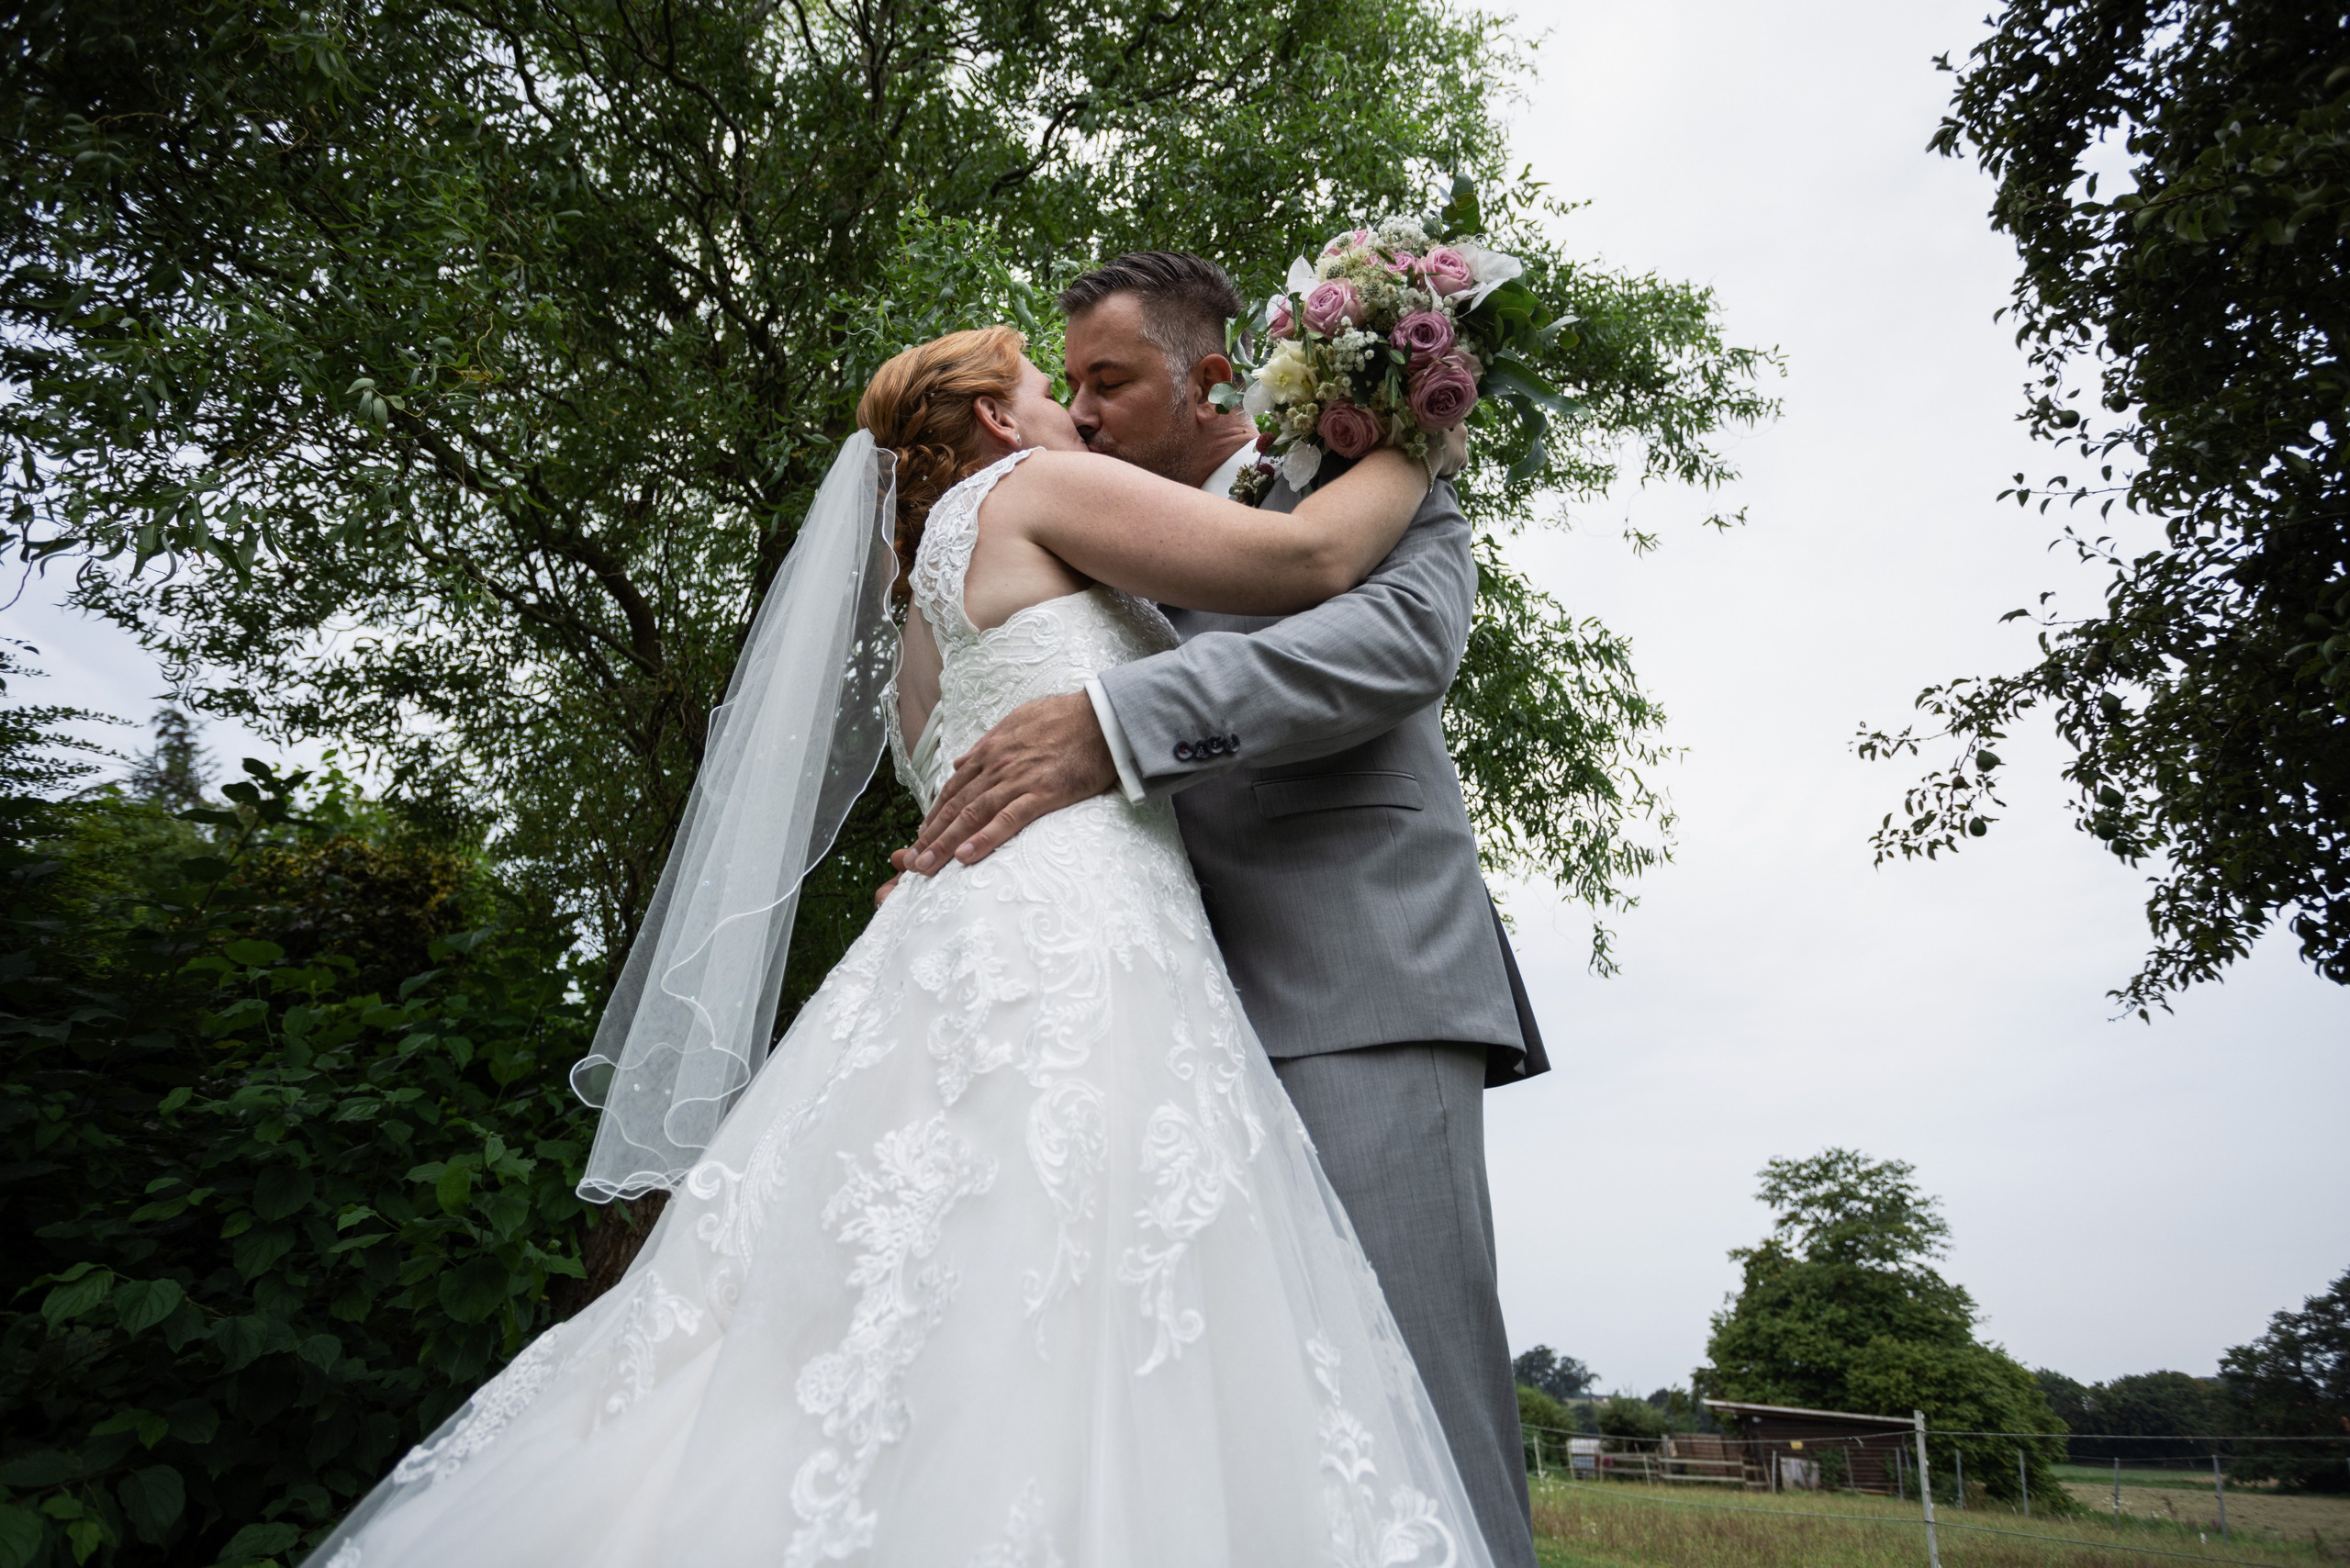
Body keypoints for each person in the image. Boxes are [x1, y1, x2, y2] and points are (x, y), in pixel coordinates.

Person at [298, 324, 1494, 1568]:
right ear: (989, 421)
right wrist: (1421, 427)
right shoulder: (1035, 488)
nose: (1074, 417)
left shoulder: (920, 600)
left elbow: (942, 801)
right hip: (1083, 938)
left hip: (963, 935)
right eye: (1049, 388)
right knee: (1087, 1280)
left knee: (898, 1300)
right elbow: (1309, 556)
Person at [898, 253, 1548, 1568]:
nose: (1079, 415)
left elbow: (1397, 649)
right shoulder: (1079, 530)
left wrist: (1119, 721)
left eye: (1110, 383)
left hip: (1351, 987)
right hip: (1143, 1035)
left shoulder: (1355, 485)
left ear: (1211, 380)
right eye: (1066, 384)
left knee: (1412, 1405)